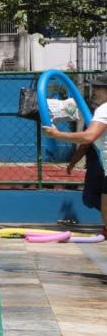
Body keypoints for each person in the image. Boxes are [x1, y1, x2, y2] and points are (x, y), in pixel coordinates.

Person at [43, 74, 107, 237]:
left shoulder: (103, 109)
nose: (94, 92)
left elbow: (88, 137)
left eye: (97, 88)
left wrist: (58, 135)